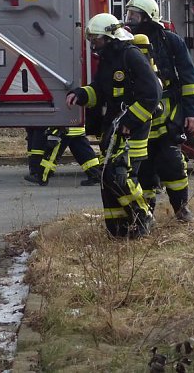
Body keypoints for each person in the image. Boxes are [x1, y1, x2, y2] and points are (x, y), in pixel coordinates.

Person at [65, 13, 161, 238]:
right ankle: (118, 229)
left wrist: (130, 122)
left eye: (96, 39)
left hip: (132, 129)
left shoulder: (131, 56)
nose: (93, 44)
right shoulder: (109, 59)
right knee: (107, 179)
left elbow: (152, 94)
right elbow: (100, 90)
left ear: (109, 37)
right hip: (113, 128)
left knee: (122, 176)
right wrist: (81, 94)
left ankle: (142, 216)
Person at [124, 0, 194, 223]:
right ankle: (146, 213)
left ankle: (181, 209)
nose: (131, 20)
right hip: (141, 117)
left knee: (172, 164)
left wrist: (192, 112)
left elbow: (189, 78)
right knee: (143, 169)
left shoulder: (170, 41)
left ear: (149, 18)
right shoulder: (126, 44)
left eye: (135, 16)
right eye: (129, 15)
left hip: (168, 117)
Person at [24, 126, 103, 186]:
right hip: (76, 127)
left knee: (52, 154)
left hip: (64, 129)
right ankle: (95, 175)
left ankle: (42, 177)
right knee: (84, 153)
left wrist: (54, 130)